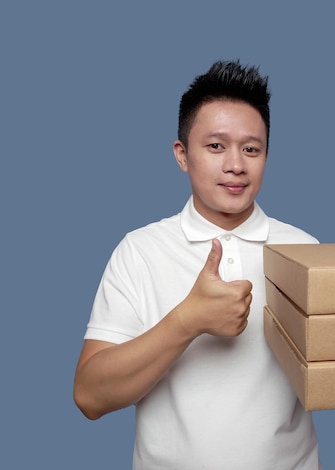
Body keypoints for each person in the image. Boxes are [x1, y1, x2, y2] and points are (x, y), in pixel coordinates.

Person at [73, 60, 321, 469]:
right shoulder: (140, 251)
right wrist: (188, 320)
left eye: (251, 149)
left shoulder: (304, 249)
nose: (236, 165)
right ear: (182, 155)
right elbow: (90, 397)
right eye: (216, 146)